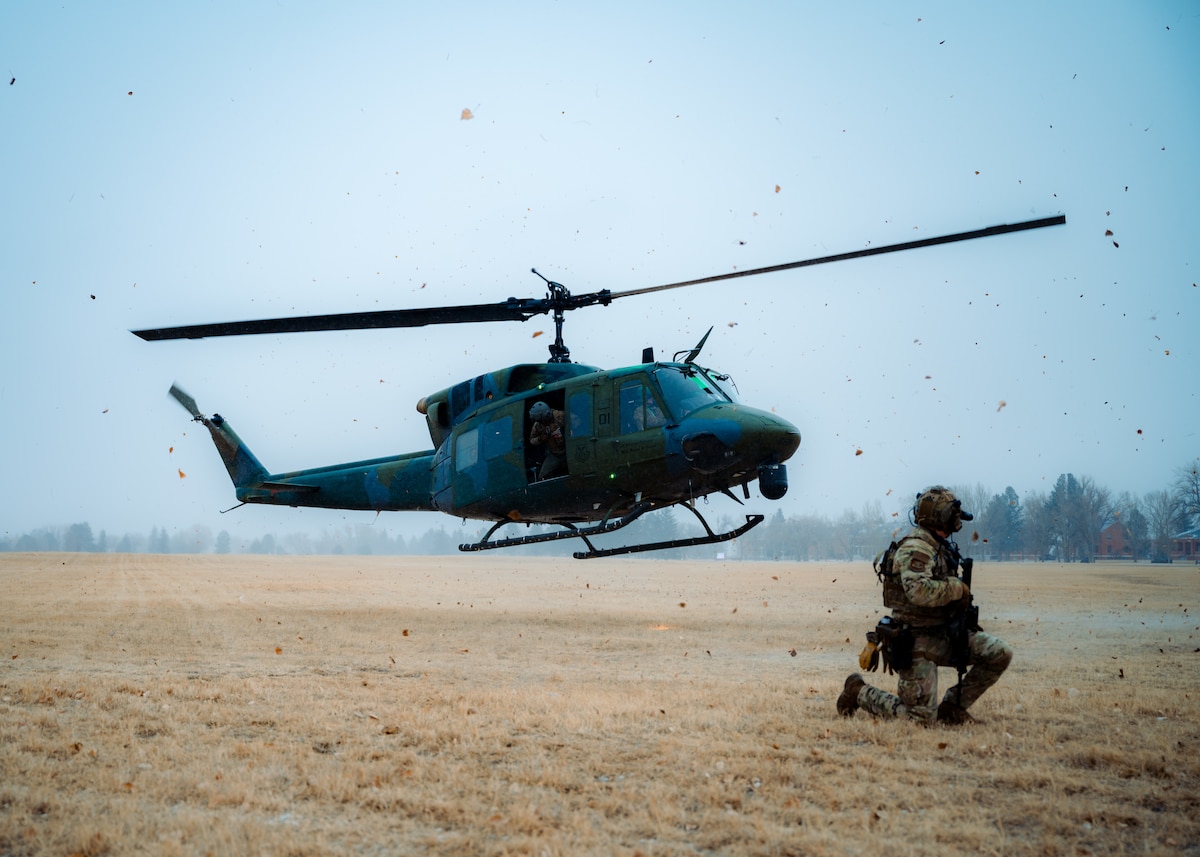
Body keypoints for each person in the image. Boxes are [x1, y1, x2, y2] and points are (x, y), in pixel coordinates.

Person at [837, 486, 1013, 725]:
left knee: (999, 653)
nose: (956, 521)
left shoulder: (939, 546)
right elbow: (918, 592)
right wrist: (956, 588)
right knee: (919, 719)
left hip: (946, 634)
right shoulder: (916, 548)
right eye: (952, 514)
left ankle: (952, 708)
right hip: (916, 641)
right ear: (940, 517)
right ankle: (857, 691)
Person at [528, 401, 566, 480]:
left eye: (541, 420)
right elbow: (532, 440)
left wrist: (565, 432)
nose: (540, 422)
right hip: (554, 454)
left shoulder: (561, 416)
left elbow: (577, 423)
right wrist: (541, 438)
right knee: (543, 476)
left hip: (568, 449)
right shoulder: (537, 425)